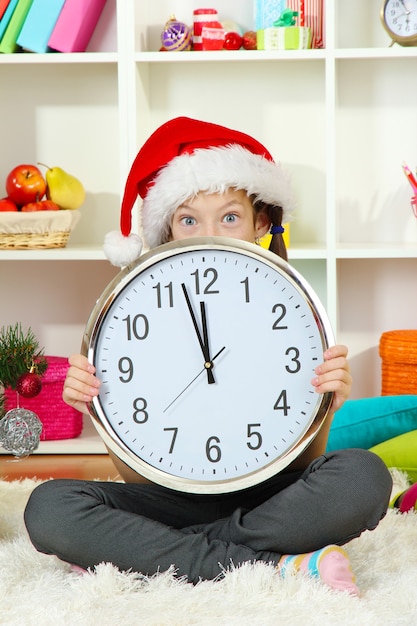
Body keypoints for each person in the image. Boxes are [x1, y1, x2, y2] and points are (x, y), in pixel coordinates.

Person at [24, 117, 393, 596]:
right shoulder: (132, 313)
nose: (210, 232)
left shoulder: (292, 308)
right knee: (49, 507)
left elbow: (307, 462)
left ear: (260, 223)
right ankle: (273, 565)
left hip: (272, 496)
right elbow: (138, 471)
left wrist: (328, 404)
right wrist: (99, 411)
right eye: (189, 218)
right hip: (170, 498)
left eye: (230, 217)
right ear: (170, 230)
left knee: (363, 476)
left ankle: (150, 553)